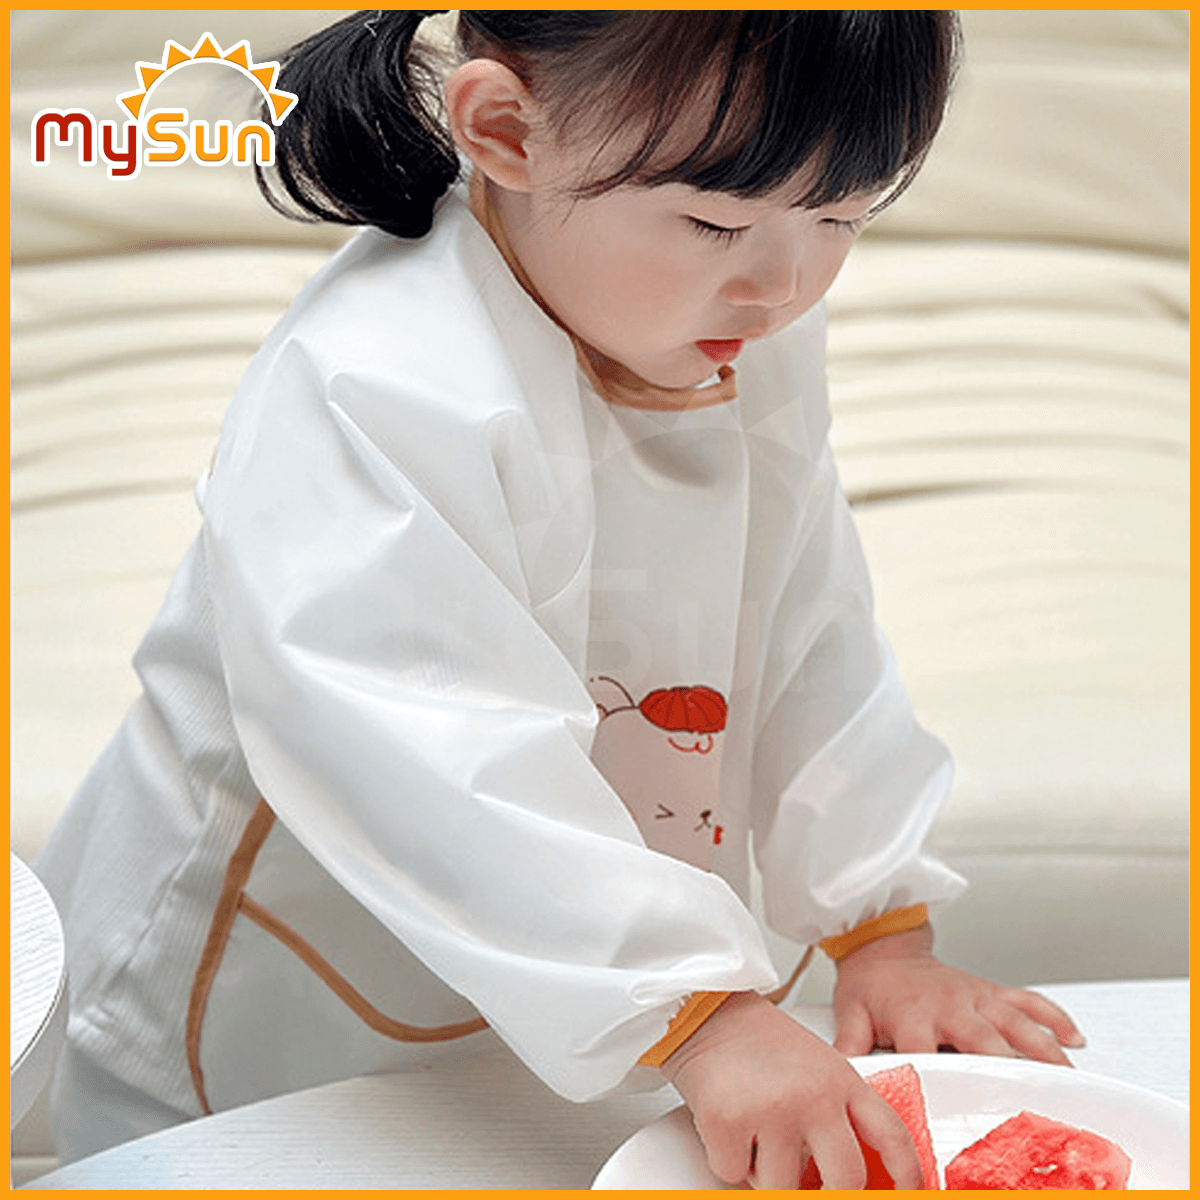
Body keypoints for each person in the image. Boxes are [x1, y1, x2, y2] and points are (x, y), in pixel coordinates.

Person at [37, 10, 1084, 1188]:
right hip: (285, 1013)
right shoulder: (373, 385)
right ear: (505, 132)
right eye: (716, 222)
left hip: (602, 1001)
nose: (784, 285)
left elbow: (807, 623)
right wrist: (700, 1013)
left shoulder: (738, 330)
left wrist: (881, 927)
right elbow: (429, 751)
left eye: (843, 216)